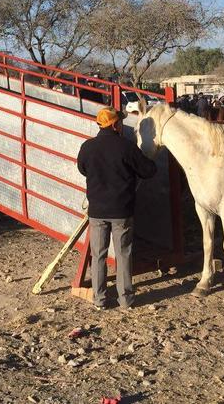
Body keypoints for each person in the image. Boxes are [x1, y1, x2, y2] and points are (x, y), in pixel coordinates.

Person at [76, 106, 157, 310]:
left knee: (99, 256)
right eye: (119, 121)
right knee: (123, 255)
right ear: (115, 125)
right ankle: (126, 300)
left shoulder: (87, 147)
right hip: (122, 211)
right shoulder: (126, 147)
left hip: (97, 212)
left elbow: (82, 169)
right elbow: (148, 171)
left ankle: (100, 299)